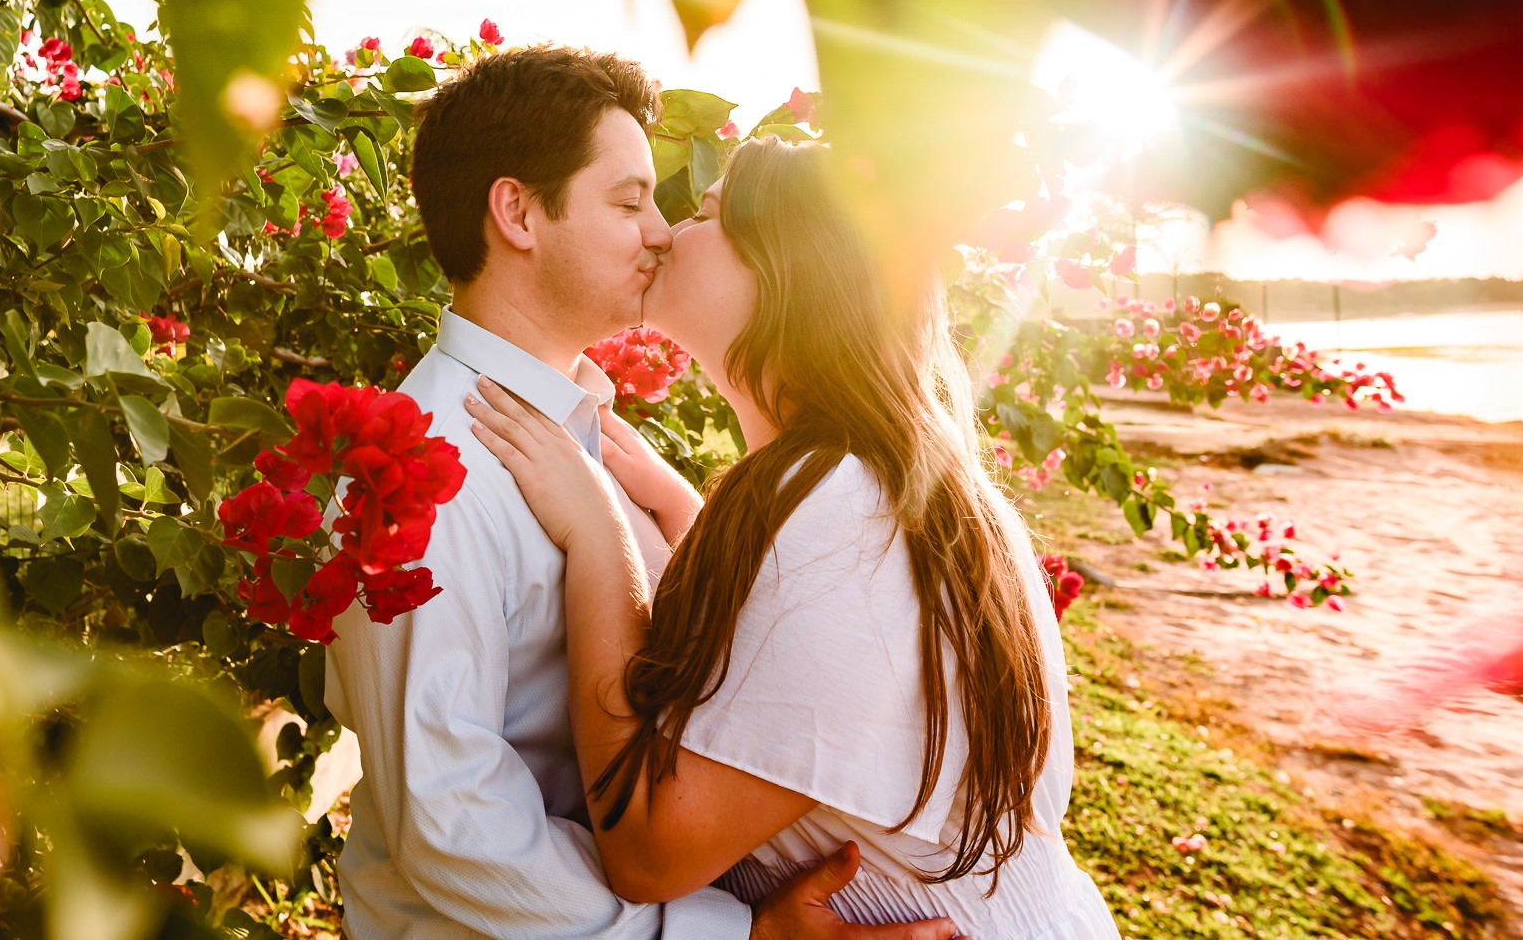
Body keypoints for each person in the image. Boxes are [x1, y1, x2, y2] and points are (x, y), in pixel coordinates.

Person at [324, 49, 960, 940]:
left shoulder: (589, 437)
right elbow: (455, 825)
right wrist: (731, 934)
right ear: (518, 213)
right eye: (629, 203)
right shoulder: (424, 472)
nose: (661, 233)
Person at [464, 137, 1119, 940]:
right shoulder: (874, 483)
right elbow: (799, 658)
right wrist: (684, 514)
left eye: (705, 213)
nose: (665, 231)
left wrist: (600, 533)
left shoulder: (847, 520)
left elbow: (649, 850)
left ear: (784, 267)